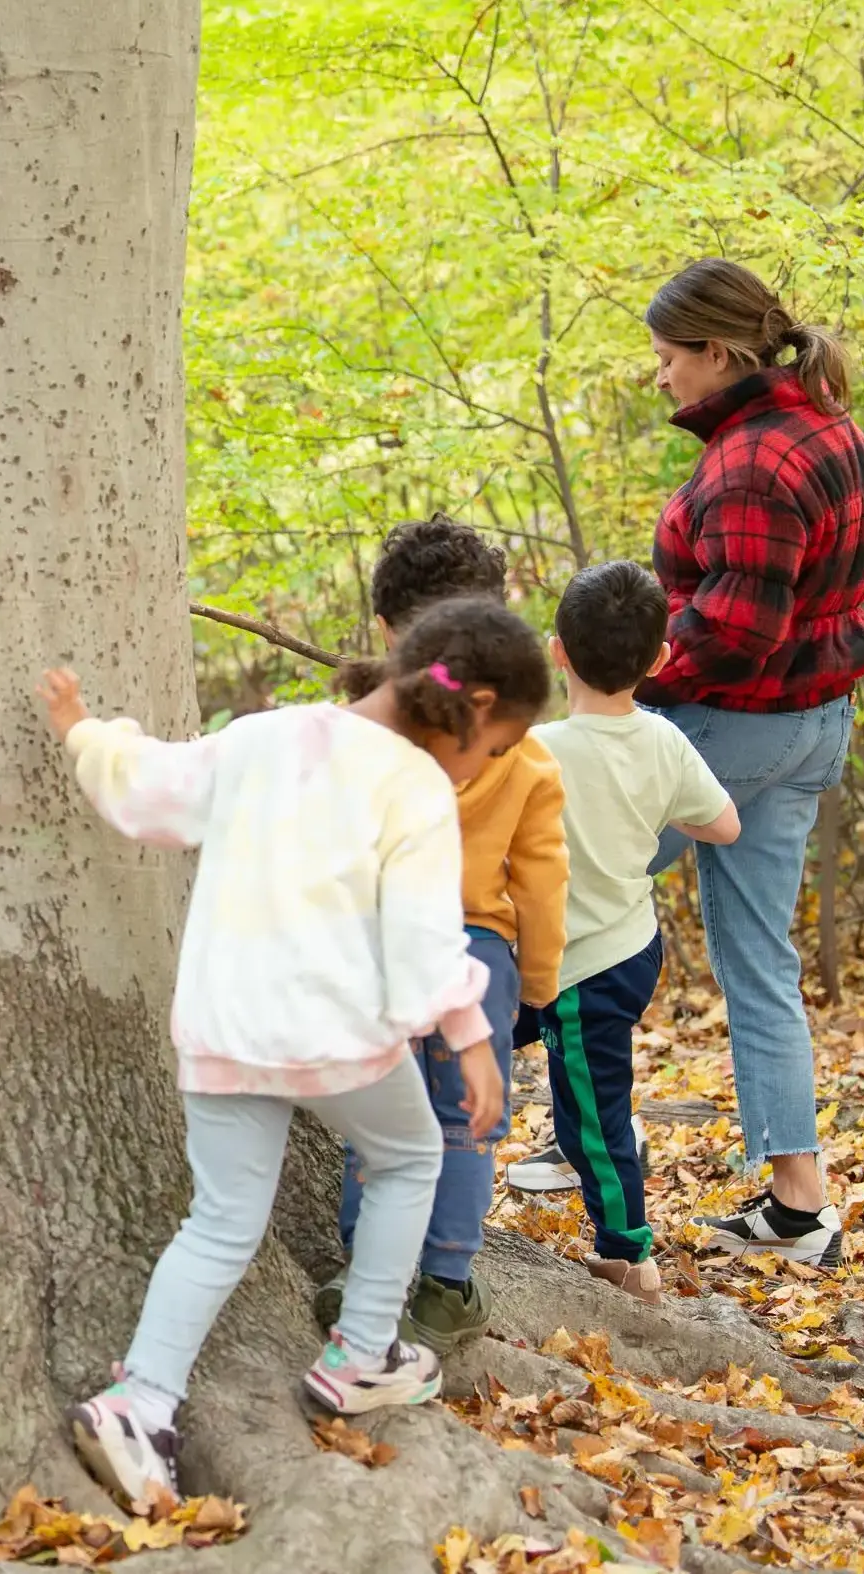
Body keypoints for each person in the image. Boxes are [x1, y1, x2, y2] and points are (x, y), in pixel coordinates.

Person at [45, 598, 551, 1509]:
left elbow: (151, 790)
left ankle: (140, 1402)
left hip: (225, 1024)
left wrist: (85, 734)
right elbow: (426, 940)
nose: (486, 765)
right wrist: (471, 1039)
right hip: (335, 1034)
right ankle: (361, 1356)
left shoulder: (261, 738)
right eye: (498, 746)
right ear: (474, 706)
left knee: (223, 1221)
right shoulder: (416, 789)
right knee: (408, 1158)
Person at [637, 259, 864, 1268]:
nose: (658, 377)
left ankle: (573, 1143)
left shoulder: (749, 461)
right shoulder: (826, 425)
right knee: (758, 963)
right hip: (811, 723)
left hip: (740, 728)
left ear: (715, 352)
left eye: (665, 358)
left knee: (553, 883)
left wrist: (622, 670)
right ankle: (797, 1205)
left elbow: (734, 631)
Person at [310, 517, 566, 1355]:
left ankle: (360, 1271)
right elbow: (540, 880)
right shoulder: (525, 754)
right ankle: (447, 1282)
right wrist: (539, 983)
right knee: (466, 1120)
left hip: (379, 942)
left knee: (380, 1109)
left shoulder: (360, 733)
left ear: (388, 632)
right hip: (477, 951)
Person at [525, 563, 740, 1303]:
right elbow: (723, 823)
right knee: (522, 1051)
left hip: (585, 968)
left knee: (590, 1112)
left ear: (557, 651)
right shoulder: (664, 743)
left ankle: (630, 1256)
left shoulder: (537, 747)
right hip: (621, 950)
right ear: (657, 661)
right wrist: (653, 806)